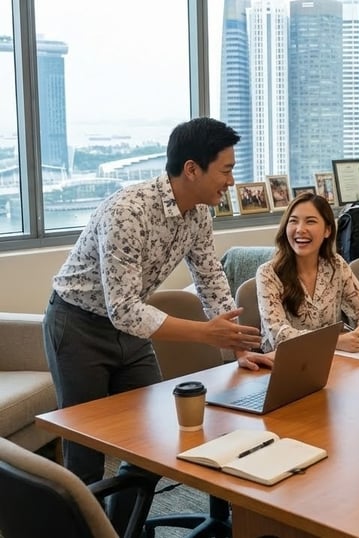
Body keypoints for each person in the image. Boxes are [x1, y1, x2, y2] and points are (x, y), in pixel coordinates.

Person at [42, 117, 272, 533]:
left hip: (129, 328)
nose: (231, 179)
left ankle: (119, 531)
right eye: (225, 169)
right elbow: (125, 310)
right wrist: (206, 333)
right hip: (77, 326)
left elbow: (209, 277)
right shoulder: (127, 211)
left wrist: (236, 342)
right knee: (86, 456)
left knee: (155, 444)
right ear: (191, 169)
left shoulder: (200, 212)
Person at [257, 192, 359, 353]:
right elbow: (279, 336)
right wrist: (334, 342)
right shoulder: (268, 274)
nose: (300, 229)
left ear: (327, 230)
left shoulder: (335, 265)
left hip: (328, 361)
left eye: (310, 221)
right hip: (280, 366)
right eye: (293, 221)